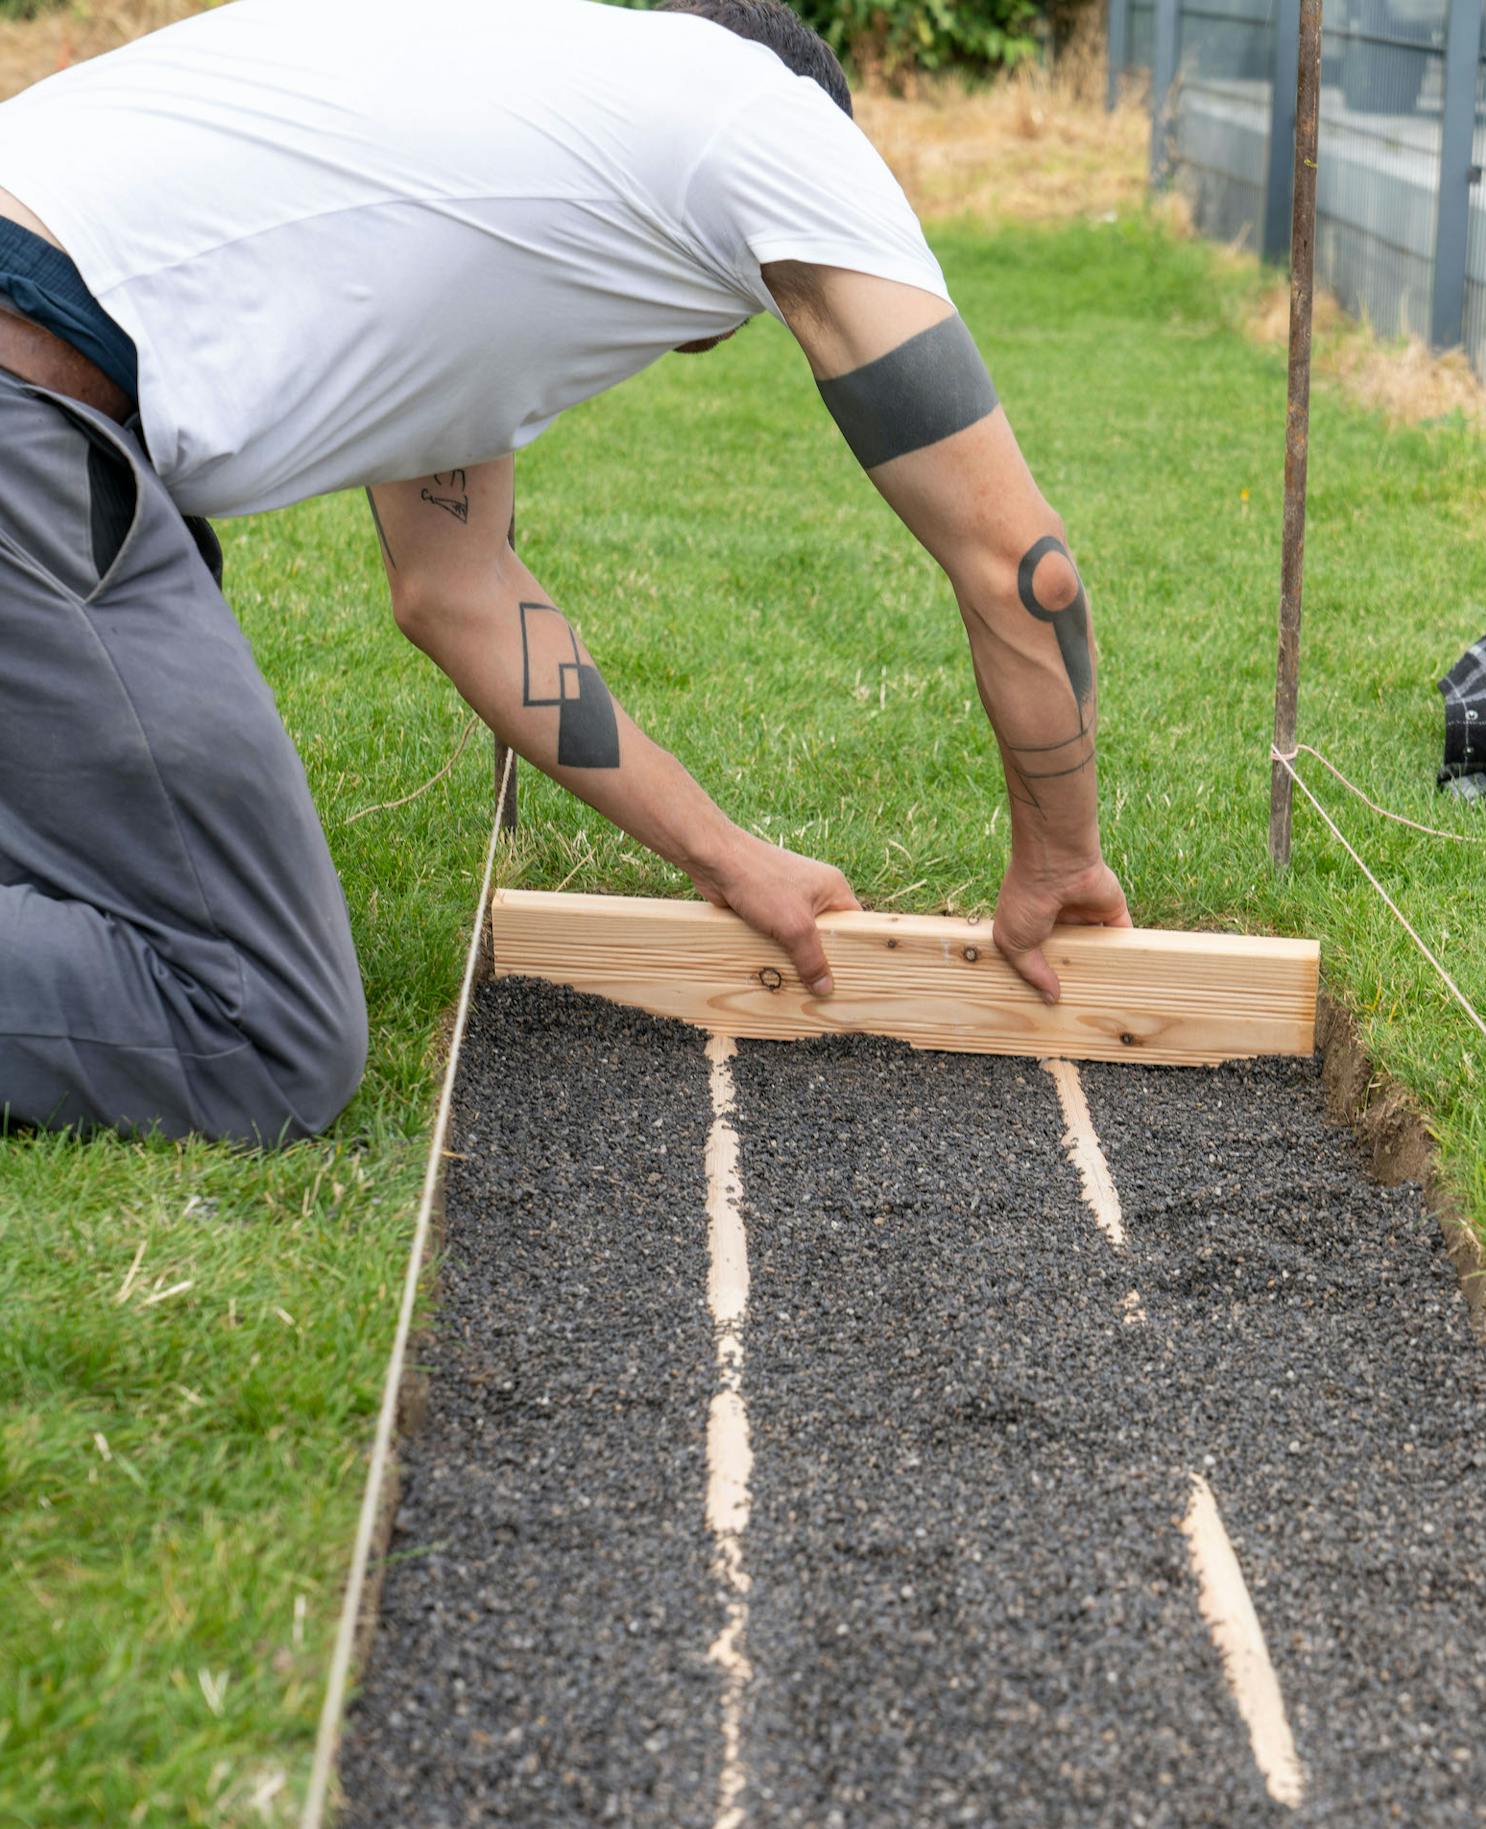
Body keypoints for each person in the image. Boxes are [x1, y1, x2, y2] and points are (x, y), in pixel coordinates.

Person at [0, 0, 1130, 1145]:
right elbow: (1019, 567)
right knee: (260, 1029)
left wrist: (729, 858)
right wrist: (1062, 858)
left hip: (50, 372)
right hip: (25, 396)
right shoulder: (781, 131)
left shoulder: (509, 115)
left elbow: (460, 590)